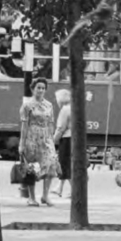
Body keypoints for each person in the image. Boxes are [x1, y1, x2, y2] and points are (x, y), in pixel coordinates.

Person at [18, 77, 60, 206]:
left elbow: (51, 123)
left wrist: (52, 139)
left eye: (43, 88)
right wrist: (21, 143)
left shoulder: (49, 105)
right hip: (31, 138)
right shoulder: (27, 106)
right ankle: (32, 197)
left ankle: (45, 196)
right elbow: (24, 126)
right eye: (38, 88)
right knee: (31, 168)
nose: (41, 90)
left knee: (51, 164)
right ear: (33, 89)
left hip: (46, 138)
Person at [53, 88, 73, 200]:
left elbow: (61, 128)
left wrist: (54, 139)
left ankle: (74, 190)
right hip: (73, 138)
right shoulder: (73, 108)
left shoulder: (65, 110)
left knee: (64, 164)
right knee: (66, 164)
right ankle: (59, 188)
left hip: (66, 139)